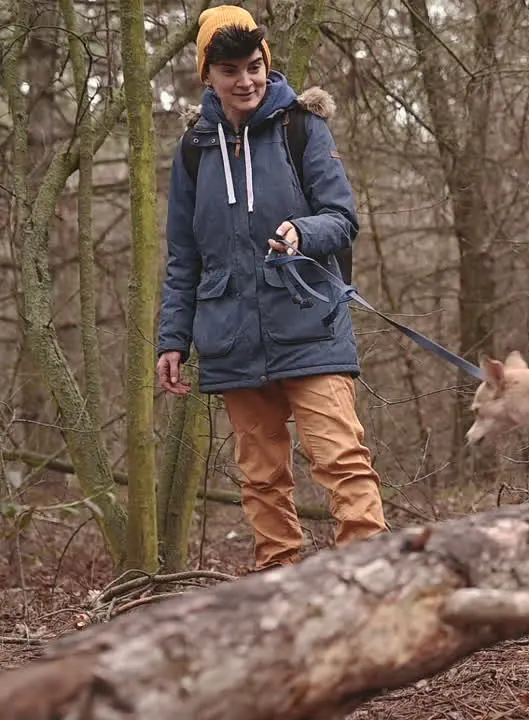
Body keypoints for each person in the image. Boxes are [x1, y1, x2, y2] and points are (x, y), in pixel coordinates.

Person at [156, 5, 387, 572]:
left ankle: (374, 582)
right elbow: (184, 257)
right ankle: (277, 594)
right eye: (230, 69)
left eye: (254, 66)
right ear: (207, 75)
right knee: (260, 478)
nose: (245, 81)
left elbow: (342, 219)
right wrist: (172, 340)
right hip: (230, 335)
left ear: (268, 62)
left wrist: (301, 231)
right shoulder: (194, 150)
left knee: (341, 460)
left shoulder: (301, 126)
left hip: (311, 324)